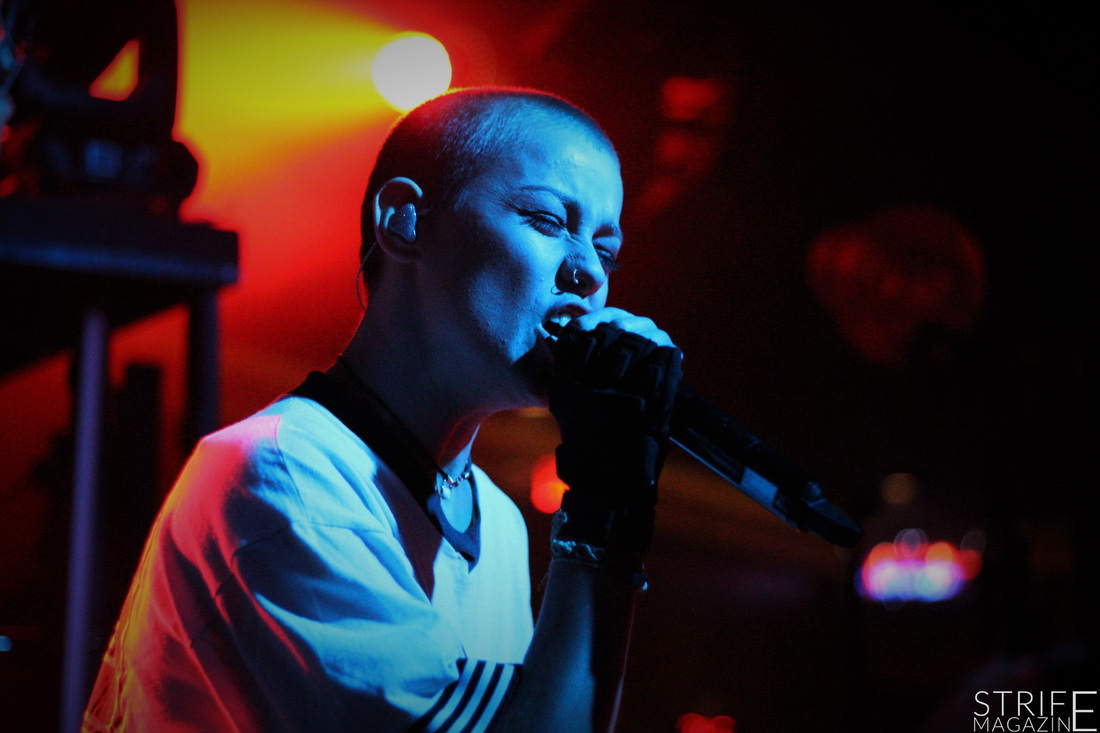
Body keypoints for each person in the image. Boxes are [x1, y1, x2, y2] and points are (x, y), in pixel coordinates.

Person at [83, 87, 683, 733]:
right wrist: (602, 513)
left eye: (606, 249)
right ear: (405, 219)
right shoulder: (282, 471)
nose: (590, 273)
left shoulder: (500, 522)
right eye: (546, 220)